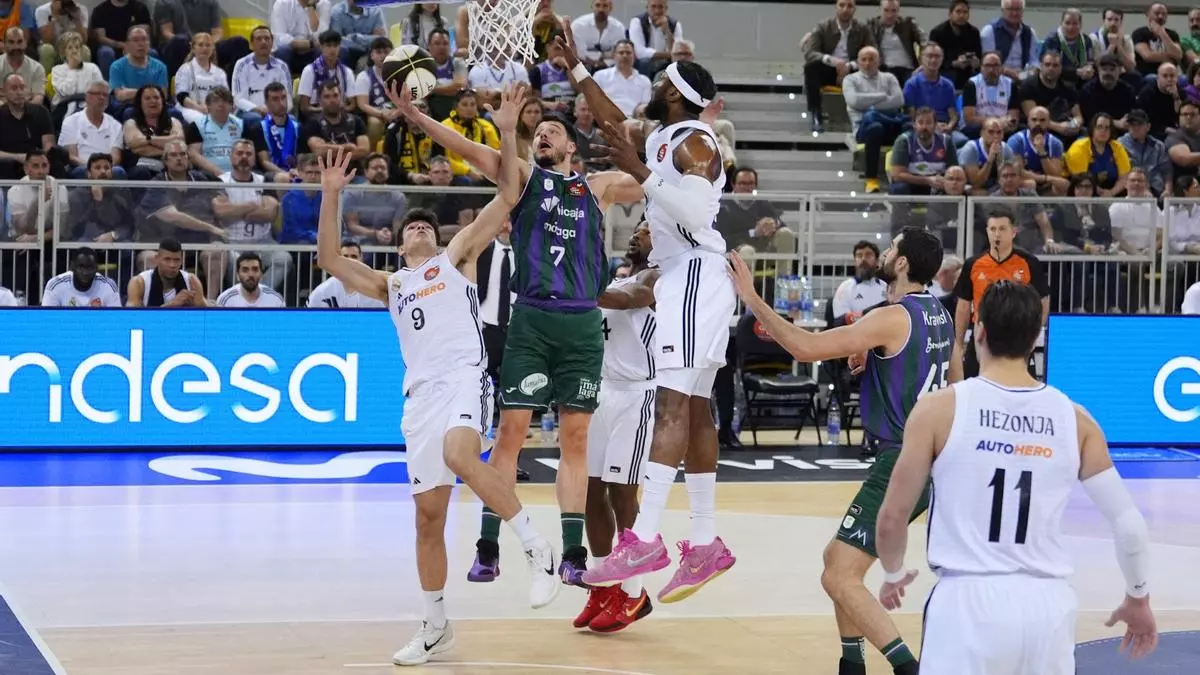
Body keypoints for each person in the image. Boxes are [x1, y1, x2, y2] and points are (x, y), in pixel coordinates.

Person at [317, 108, 562, 668]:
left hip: (464, 377)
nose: (421, 229)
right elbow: (328, 258)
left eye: (427, 225)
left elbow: (508, 193)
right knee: (428, 520)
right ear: (400, 248)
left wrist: (506, 133)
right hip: (419, 399)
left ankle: (536, 547)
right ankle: (435, 626)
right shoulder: (391, 284)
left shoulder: (458, 257)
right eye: (412, 228)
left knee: (460, 453)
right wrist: (331, 194)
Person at [382, 78, 644, 587]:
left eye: (553, 131)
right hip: (532, 318)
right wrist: (416, 117)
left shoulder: (599, 187)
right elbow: (466, 148)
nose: (543, 135)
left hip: (582, 322)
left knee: (575, 438)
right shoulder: (522, 176)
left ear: (572, 147)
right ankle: (488, 547)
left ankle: (573, 554)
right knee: (511, 434)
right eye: (538, 131)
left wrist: (648, 142)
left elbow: (654, 182)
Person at [876, 281, 1159, 673]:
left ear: (979, 331)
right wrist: (1138, 595)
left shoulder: (938, 410)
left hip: (966, 601)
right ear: (1035, 339)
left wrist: (892, 572)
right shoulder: (1076, 420)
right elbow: (1129, 525)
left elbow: (892, 517)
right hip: (1048, 607)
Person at [727, 226, 961, 675]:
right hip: (927, 458)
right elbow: (954, 384)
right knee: (837, 561)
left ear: (903, 263)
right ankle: (851, 665)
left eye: (891, 248)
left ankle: (908, 669)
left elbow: (805, 347)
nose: (885, 253)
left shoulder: (893, 317)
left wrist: (752, 298)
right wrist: (878, 359)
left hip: (901, 463)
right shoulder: (940, 314)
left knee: (838, 576)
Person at [562, 37, 741, 603]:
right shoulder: (666, 136)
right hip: (695, 276)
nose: (653, 84)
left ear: (676, 94)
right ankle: (706, 542)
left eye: (662, 80)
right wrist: (575, 66)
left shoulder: (696, 142)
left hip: (692, 271)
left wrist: (637, 169)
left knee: (671, 404)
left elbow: (698, 210)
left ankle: (642, 538)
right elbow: (614, 123)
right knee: (695, 407)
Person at [575, 222, 659, 632]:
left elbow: (629, 301)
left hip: (637, 395)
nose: (636, 235)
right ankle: (603, 584)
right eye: (637, 229)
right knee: (590, 491)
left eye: (646, 230)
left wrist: (574, 284)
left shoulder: (659, 278)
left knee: (623, 492)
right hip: (602, 391)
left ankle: (634, 591)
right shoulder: (616, 278)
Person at [127, 237, 206, 307]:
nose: (172, 265)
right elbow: (132, 316)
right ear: (157, 258)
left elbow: (204, 314)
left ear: (182, 260)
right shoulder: (139, 282)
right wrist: (171, 305)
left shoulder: (191, 281)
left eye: (176, 260)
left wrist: (196, 306)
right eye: (167, 259)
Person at [41, 247, 122, 307]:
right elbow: (47, 320)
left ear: (96, 268)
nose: (85, 272)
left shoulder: (108, 286)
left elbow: (116, 320)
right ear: (72, 267)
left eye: (90, 267)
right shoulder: (55, 285)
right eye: (80, 267)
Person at [215, 252, 287, 308]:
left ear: (261, 274)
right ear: (237, 275)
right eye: (245, 270)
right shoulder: (225, 300)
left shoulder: (276, 300)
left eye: (255, 269)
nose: (250, 274)